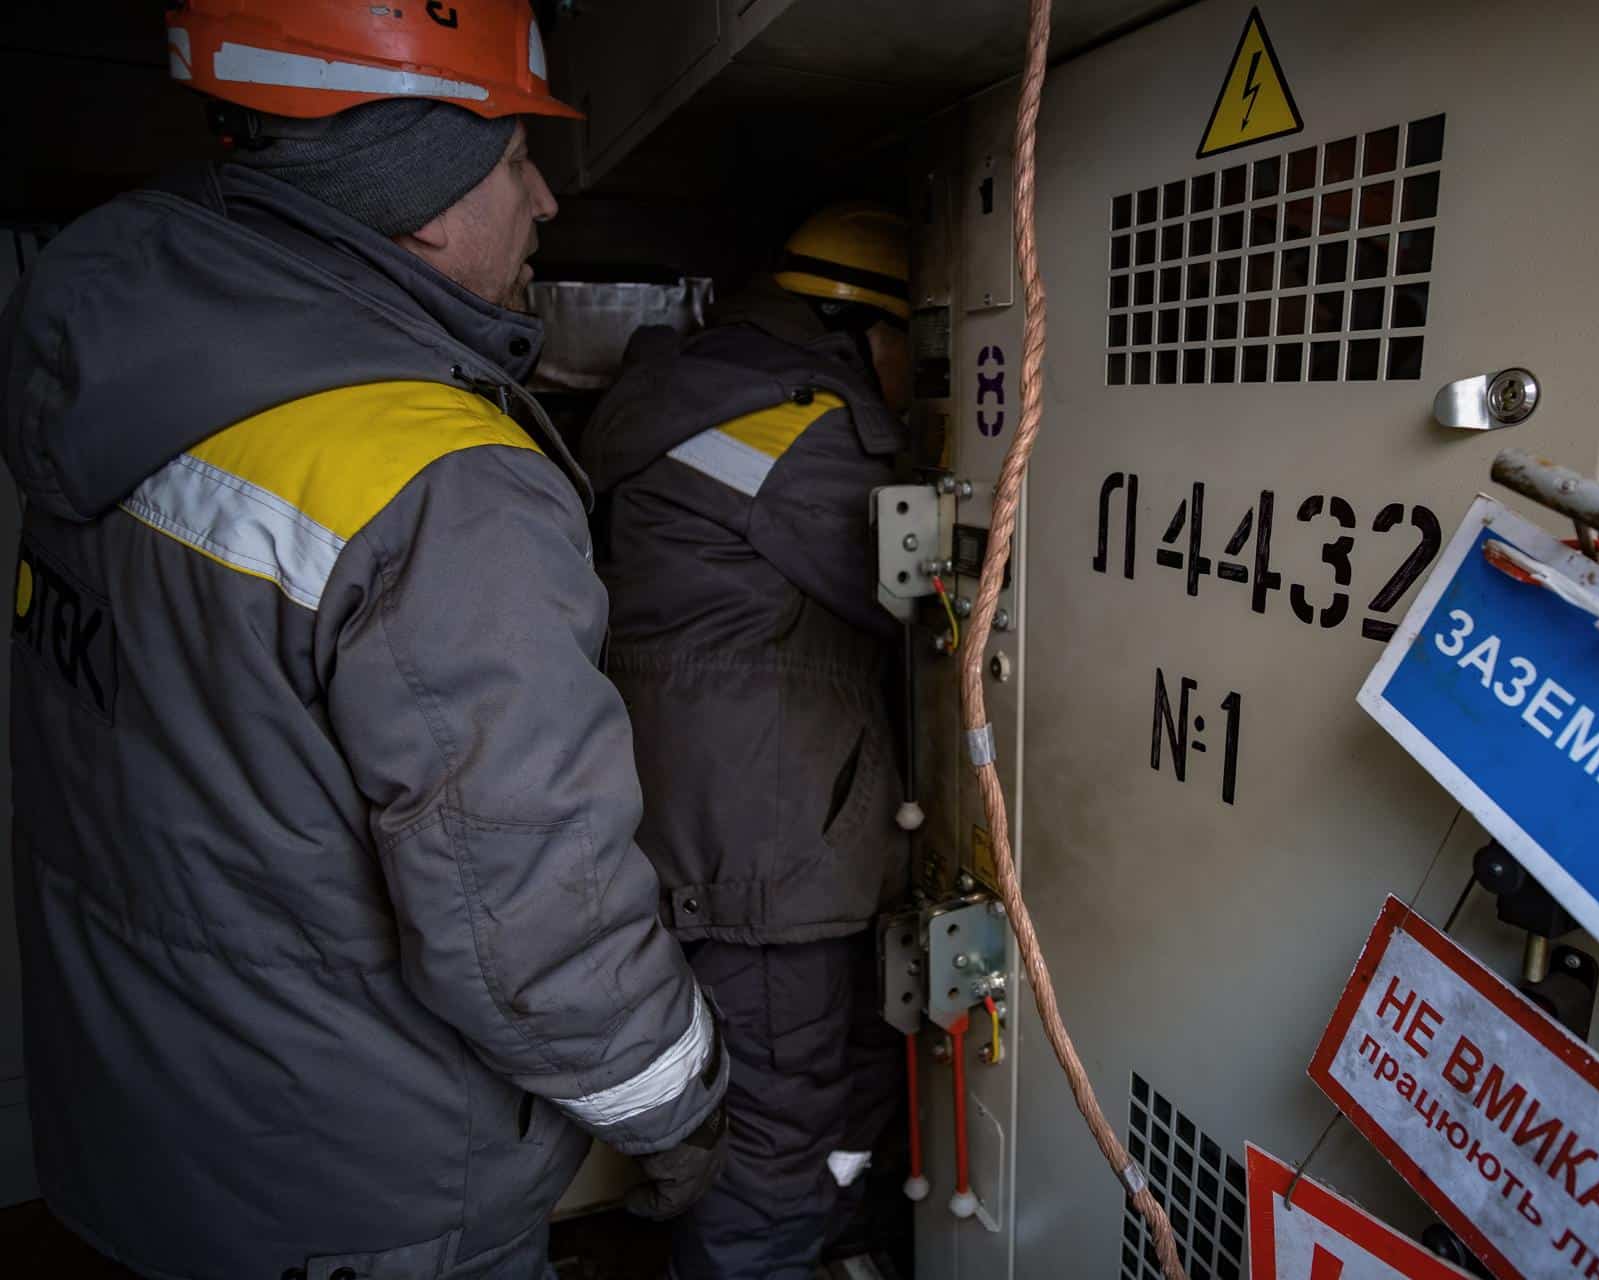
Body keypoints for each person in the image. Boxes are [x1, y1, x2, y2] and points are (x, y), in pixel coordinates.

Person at [0, 4, 727, 1276]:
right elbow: (532, 920)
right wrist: (676, 1106)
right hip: (367, 1198)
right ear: (425, 192)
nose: (547, 201)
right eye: (513, 160)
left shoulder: (124, 375)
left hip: (142, 1145)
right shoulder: (439, 483)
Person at [578, 203, 915, 1277]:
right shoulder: (801, 426)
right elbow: (951, 585)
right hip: (766, 855)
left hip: (716, 831)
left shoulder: (693, 393)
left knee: (821, 1097)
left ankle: (833, 1241)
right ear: (865, 328)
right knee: (780, 1130)